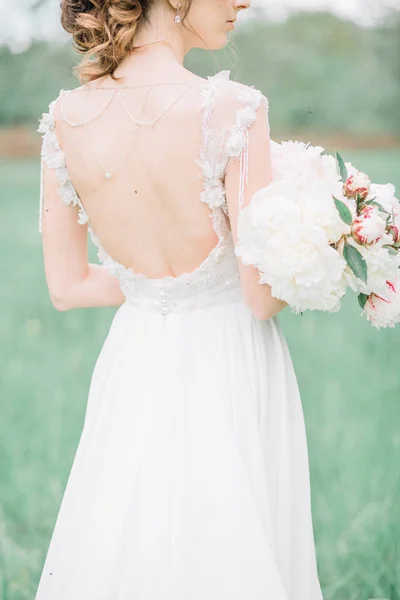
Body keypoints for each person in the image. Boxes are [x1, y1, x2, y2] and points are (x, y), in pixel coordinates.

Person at [35, 0, 324, 598]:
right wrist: (326, 251)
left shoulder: (63, 118)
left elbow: (67, 287)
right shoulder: (233, 109)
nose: (244, 2)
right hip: (229, 355)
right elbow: (259, 297)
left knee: (130, 530)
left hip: (135, 352)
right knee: (230, 531)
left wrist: (155, 287)